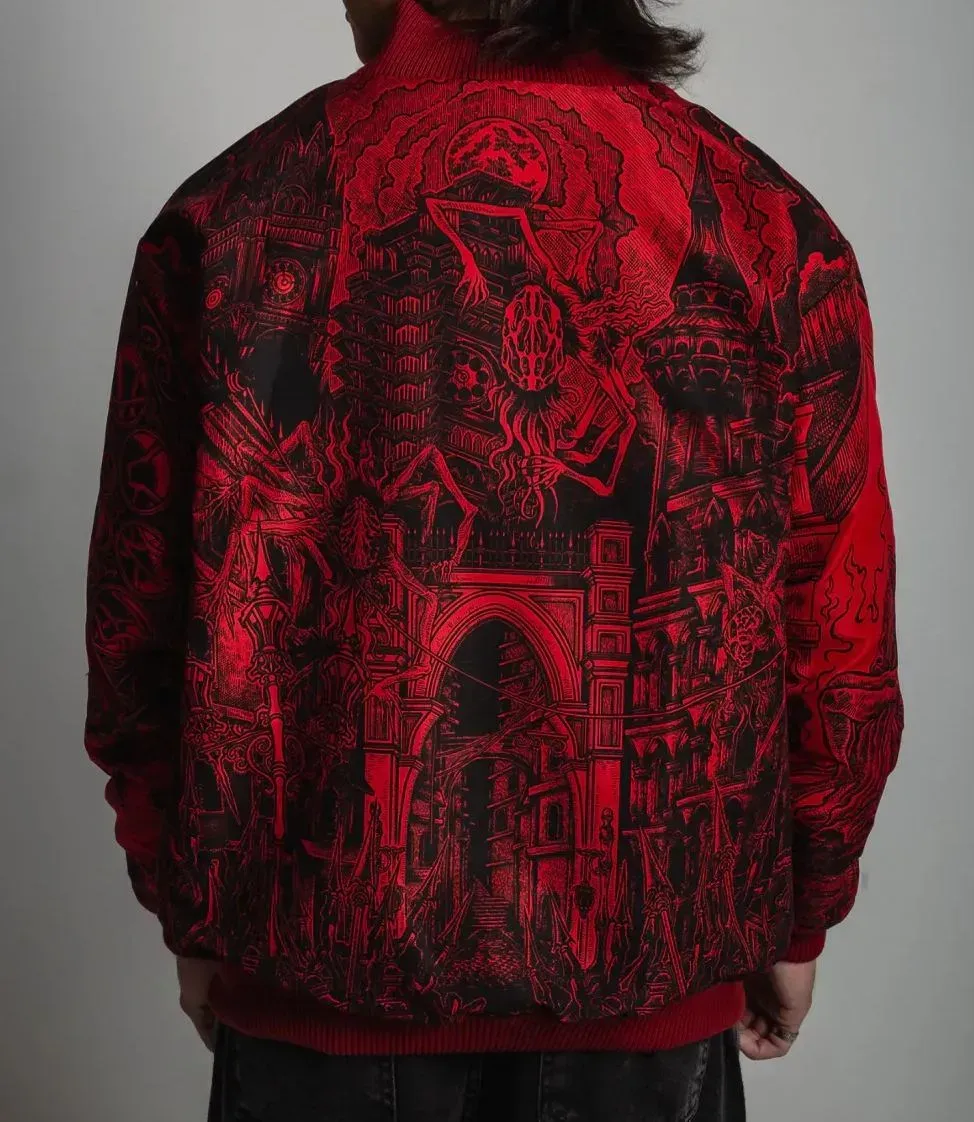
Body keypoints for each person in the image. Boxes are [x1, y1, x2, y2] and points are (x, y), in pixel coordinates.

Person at [84, 1, 904, 1118]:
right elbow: (839, 627)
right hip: (647, 1006)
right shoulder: (761, 221)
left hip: (309, 996)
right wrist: (802, 910)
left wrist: (192, 901)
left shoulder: (227, 215)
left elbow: (135, 621)